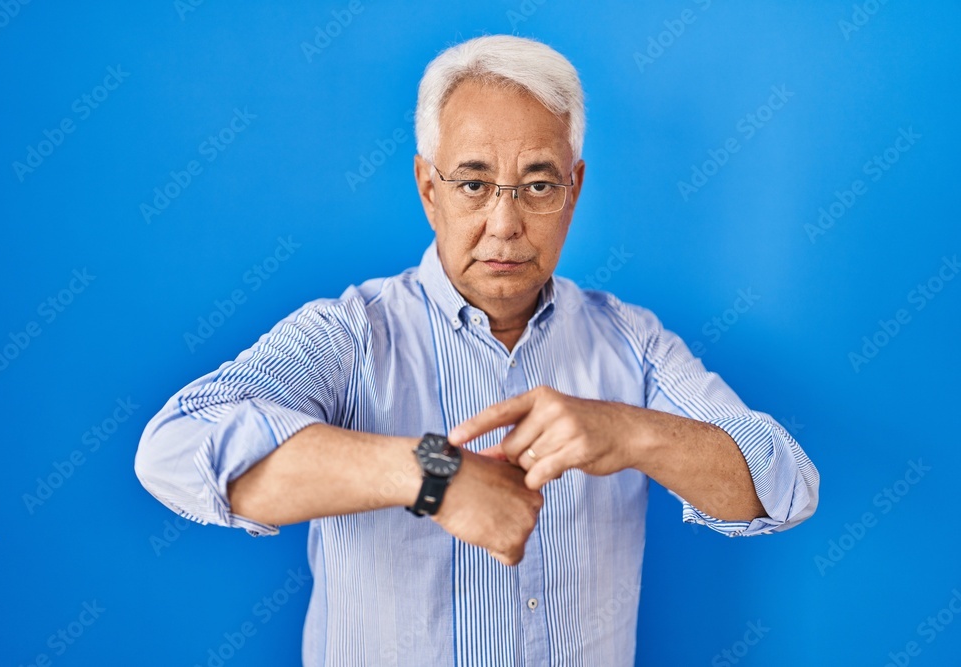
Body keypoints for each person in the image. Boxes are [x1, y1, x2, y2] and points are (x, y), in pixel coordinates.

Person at [134, 34, 819, 666]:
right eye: (473, 183)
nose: (506, 223)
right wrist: (434, 474)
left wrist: (631, 431)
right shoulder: (351, 333)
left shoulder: (631, 342)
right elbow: (173, 448)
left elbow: (784, 485)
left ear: (574, 190)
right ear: (429, 189)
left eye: (539, 185)